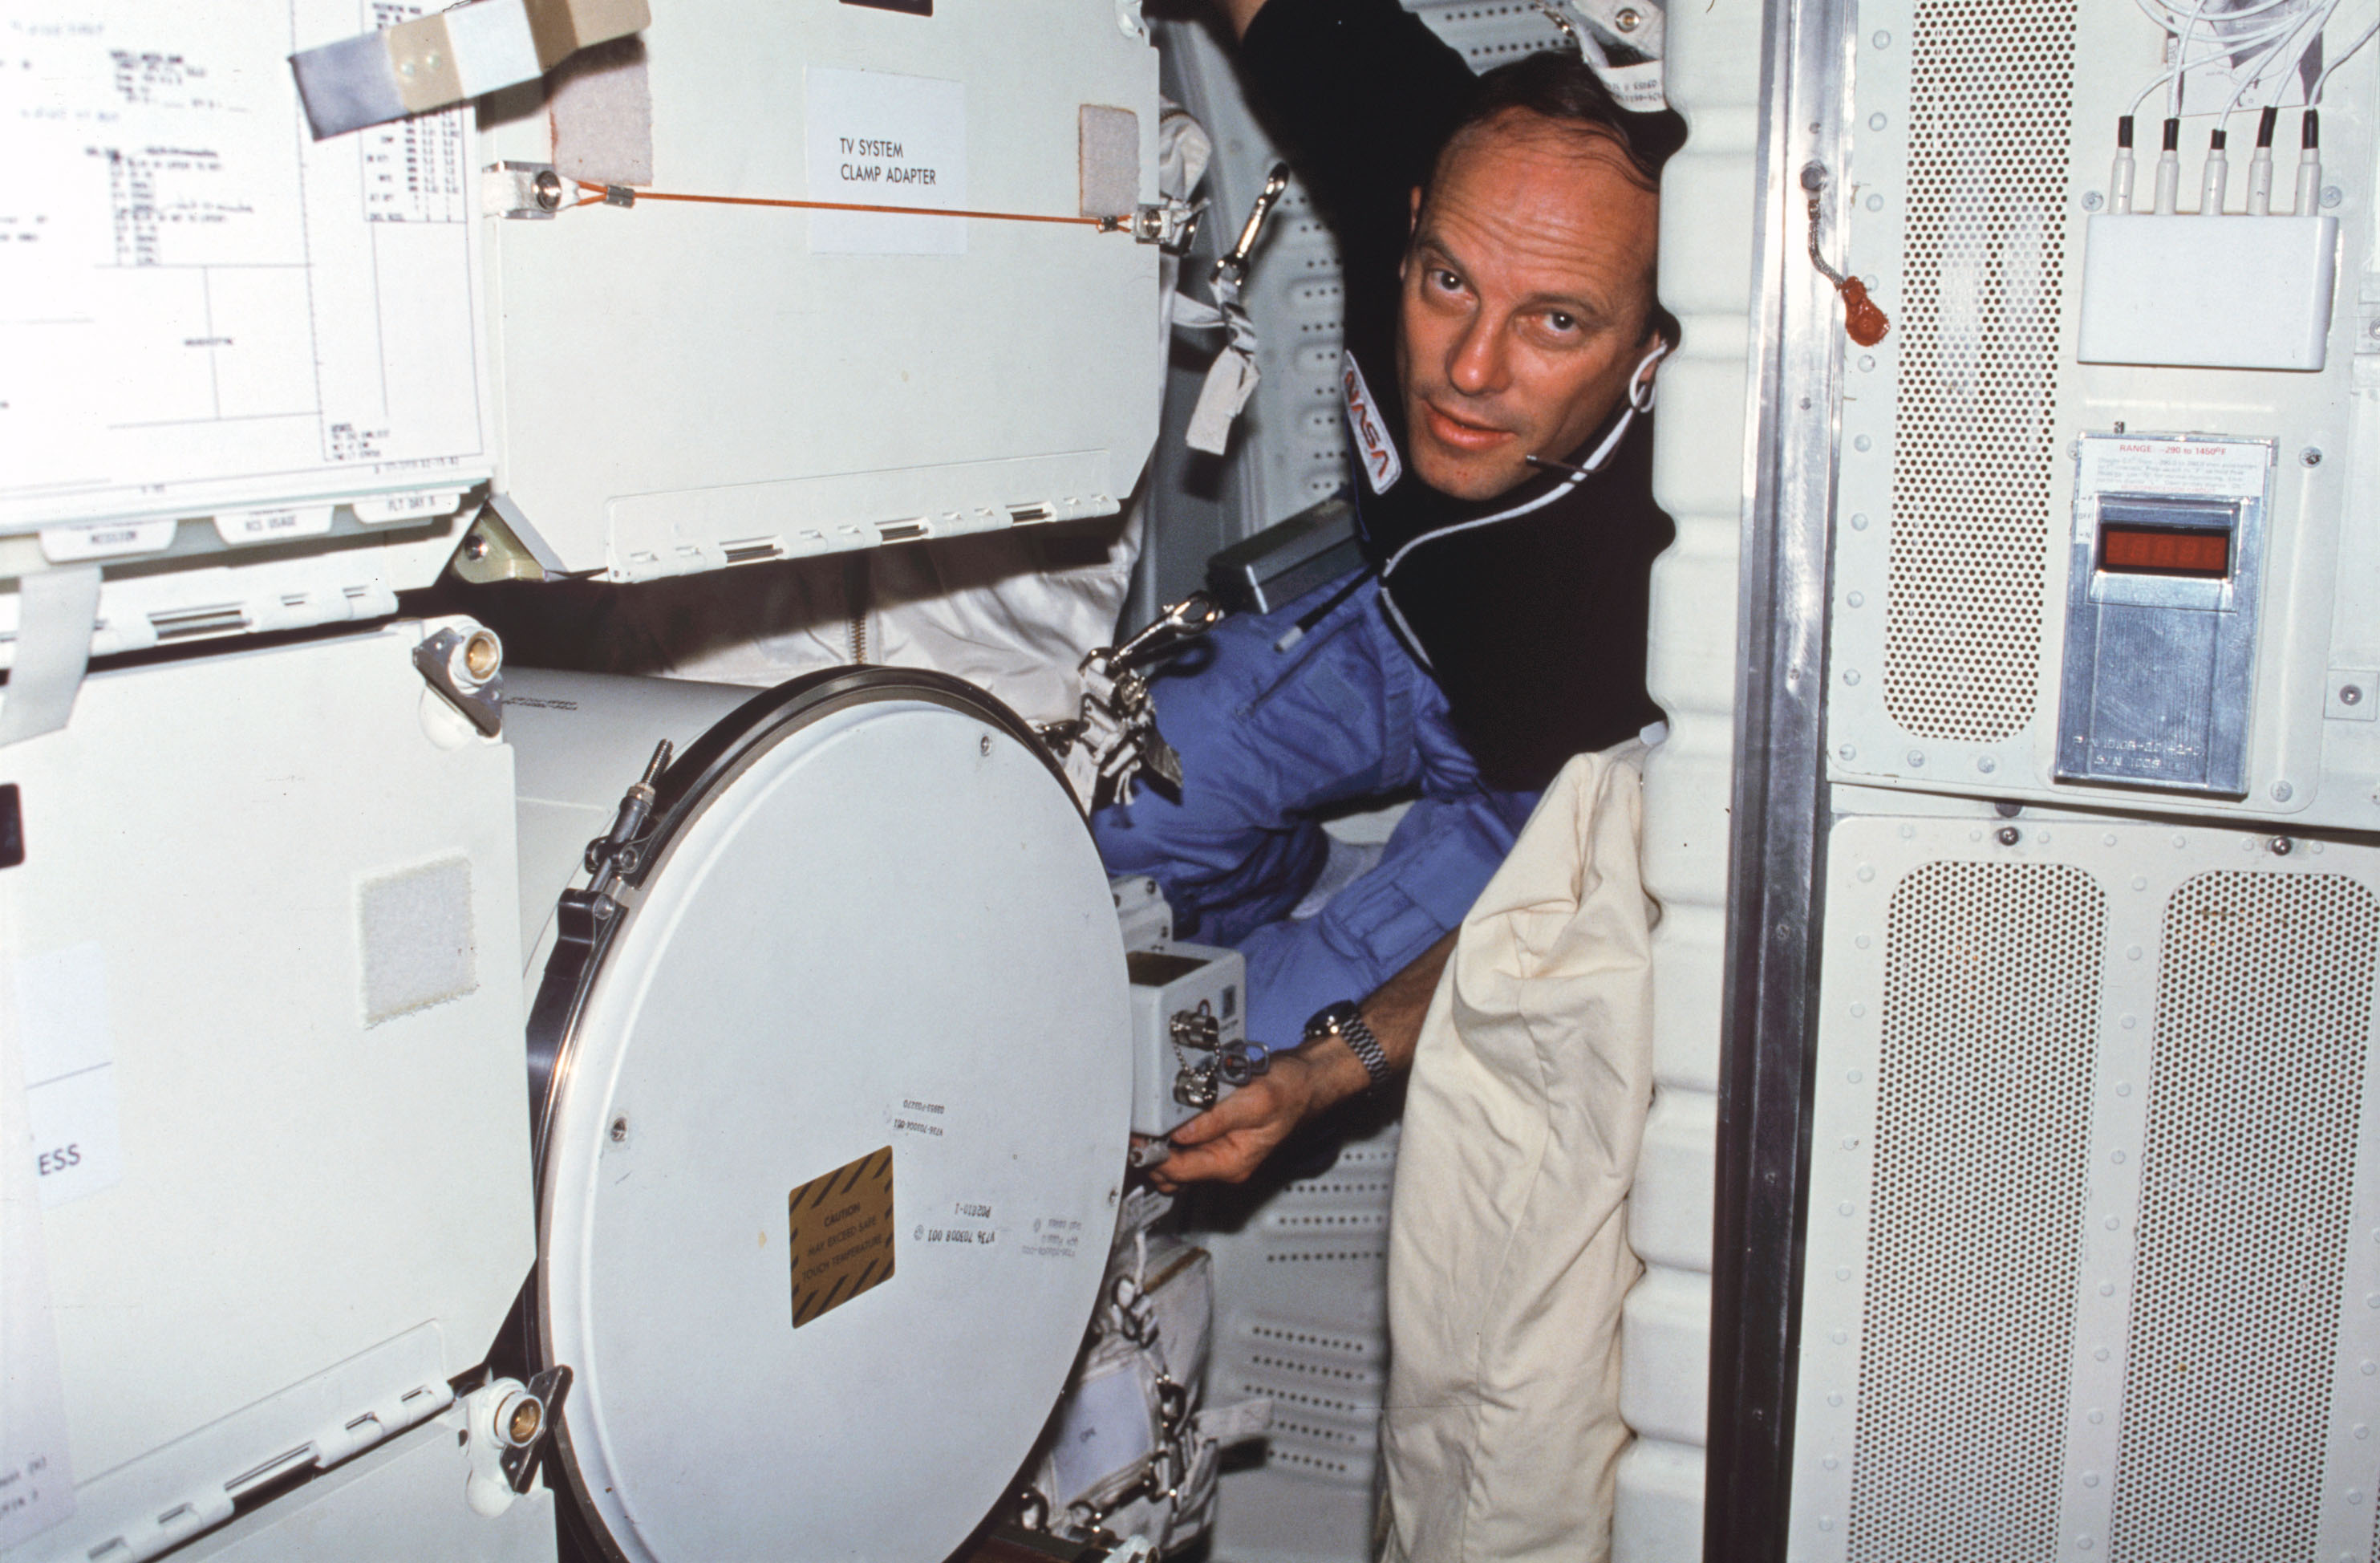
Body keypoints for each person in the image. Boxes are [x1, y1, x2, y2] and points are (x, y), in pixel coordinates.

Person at [1093, 0, 1682, 1188]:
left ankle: (1343, 912)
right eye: (1447, 280)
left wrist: (1334, 1066)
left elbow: (1606, 900)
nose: (1470, 368)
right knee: (1093, 819)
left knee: (1199, 1078)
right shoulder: (1423, 146)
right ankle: (1287, 868)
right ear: (1414, 214)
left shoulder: (1686, 546)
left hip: (1547, 802)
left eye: (1558, 321)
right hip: (1392, 633)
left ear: (1653, 350)